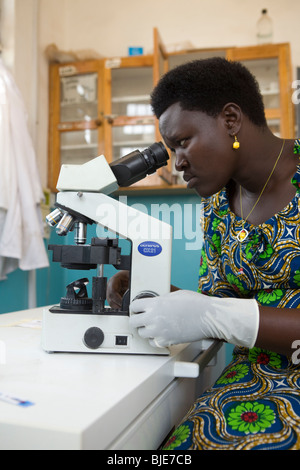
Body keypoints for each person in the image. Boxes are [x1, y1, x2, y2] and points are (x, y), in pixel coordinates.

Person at [106, 57, 300, 450]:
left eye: (182, 141)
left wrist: (215, 314)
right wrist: (153, 290)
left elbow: (221, 316)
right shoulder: (217, 208)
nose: (177, 162)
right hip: (248, 378)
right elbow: (217, 308)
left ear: (230, 119)